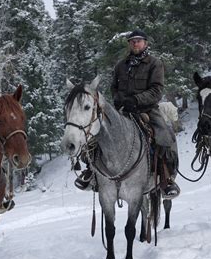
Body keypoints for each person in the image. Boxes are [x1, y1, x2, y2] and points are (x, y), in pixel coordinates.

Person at [75, 29, 180, 199]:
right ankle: (92, 173)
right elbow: (114, 88)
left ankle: (166, 180)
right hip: (122, 110)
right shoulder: (120, 65)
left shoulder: (154, 63)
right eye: (132, 41)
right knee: (97, 135)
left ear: (145, 43)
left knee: (164, 136)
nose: (135, 43)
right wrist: (119, 100)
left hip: (147, 109)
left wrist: (137, 100)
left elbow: (157, 90)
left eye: (138, 41)